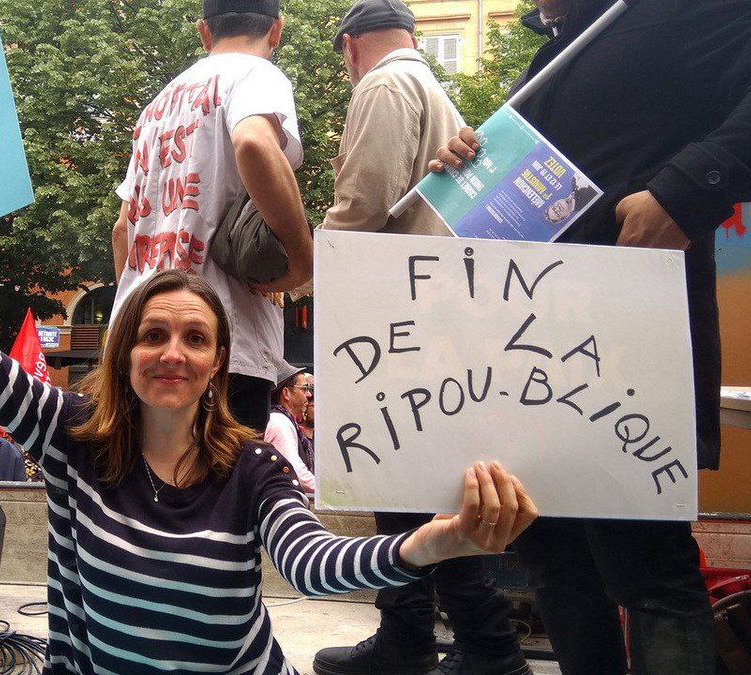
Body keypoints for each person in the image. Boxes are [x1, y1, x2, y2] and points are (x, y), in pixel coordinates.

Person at [0, 253, 537, 673]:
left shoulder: (251, 466)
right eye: (152, 335)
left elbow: (311, 562)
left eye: (195, 338)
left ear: (218, 363)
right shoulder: (67, 433)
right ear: (125, 354)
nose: (173, 352)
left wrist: (431, 542)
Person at [429, 1, 751, 673]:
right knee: (554, 561)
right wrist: (471, 164)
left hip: (629, 344)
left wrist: (686, 189)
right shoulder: (561, 48)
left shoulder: (677, 9)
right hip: (529, 352)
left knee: (646, 569)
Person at [315, 2, 531, 673]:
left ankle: (475, 646)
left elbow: (365, 202)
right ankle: (442, 640)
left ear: (350, 49)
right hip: (437, 309)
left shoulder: (381, 86)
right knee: (419, 486)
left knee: (405, 481)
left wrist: (306, 269)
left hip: (398, 310)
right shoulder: (433, 88)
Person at [109, 0, 314, 432]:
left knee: (151, 493)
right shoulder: (258, 74)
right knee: (226, 493)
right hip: (220, 346)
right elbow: (254, 143)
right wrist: (302, 260)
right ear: (276, 32)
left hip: (140, 346)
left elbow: (121, 231)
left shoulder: (155, 108)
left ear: (205, 33)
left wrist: (135, 322)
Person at [262, 362, 315, 493]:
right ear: (286, 393)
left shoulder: (280, 420)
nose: (308, 395)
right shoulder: (279, 423)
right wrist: (328, 493)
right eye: (304, 389)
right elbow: (296, 472)